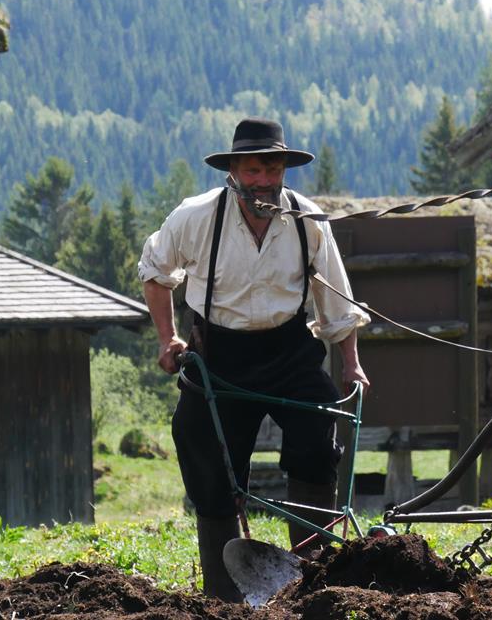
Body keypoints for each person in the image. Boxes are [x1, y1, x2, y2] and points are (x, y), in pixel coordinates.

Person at [138, 117, 369, 601]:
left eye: (272, 169)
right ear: (235, 172)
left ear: (284, 169)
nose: (263, 181)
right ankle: (224, 594)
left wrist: (350, 362)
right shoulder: (196, 217)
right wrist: (168, 339)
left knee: (317, 425)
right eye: (253, 171)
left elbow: (338, 301)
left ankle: (314, 576)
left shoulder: (308, 220)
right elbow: (155, 272)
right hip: (219, 353)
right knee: (200, 440)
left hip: (288, 349)